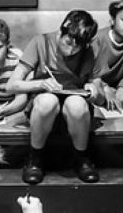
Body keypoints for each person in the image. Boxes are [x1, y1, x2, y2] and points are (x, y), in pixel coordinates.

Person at [7, 10, 101, 184]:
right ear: (61, 32)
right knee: (47, 101)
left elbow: (97, 85)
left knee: (77, 104)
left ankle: (81, 158)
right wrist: (41, 84)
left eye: (77, 46)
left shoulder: (87, 52)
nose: (71, 49)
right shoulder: (40, 43)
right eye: (67, 43)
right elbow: (12, 85)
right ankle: (35, 158)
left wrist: (92, 87)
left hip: (73, 107)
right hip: (43, 106)